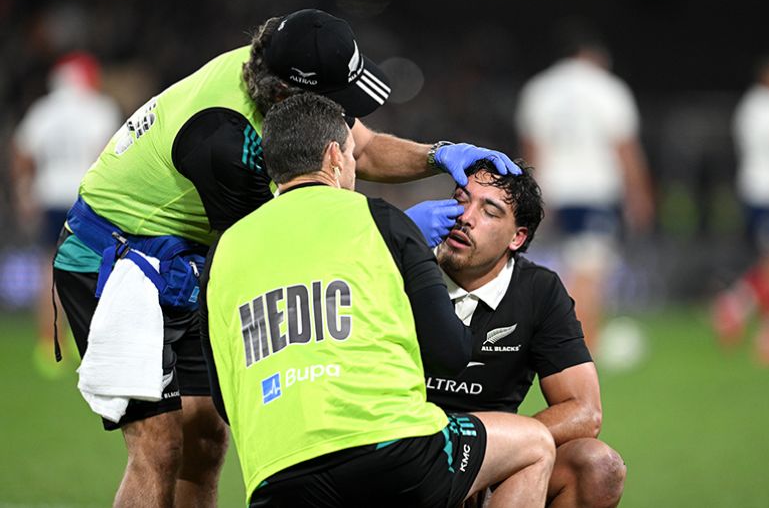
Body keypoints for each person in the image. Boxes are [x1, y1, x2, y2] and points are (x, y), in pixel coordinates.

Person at [51, 8, 522, 508]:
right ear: (291, 97)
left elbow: (357, 152)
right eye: (339, 103)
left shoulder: (282, 59)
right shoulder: (223, 141)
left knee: (206, 440)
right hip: (118, 260)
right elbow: (283, 243)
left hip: (184, 253)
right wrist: (398, 231)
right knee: (160, 446)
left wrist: (440, 154)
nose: (348, 116)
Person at [202, 92, 555, 507]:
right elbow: (451, 351)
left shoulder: (222, 252)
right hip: (391, 455)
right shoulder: (381, 220)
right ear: (335, 157)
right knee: (534, 445)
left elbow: (225, 402)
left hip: (275, 478)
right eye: (354, 155)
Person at [406, 159, 626, 507]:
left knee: (598, 467)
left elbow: (585, 411)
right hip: (403, 453)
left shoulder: (538, 291)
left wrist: (486, 453)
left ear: (517, 237)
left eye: (489, 211)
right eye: (461, 200)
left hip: (490, 457)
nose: (465, 217)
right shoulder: (401, 269)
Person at [513, 23, 654, 351]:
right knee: (590, 269)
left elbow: (531, 148)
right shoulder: (608, 88)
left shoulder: (539, 89)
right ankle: (580, 343)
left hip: (550, 189)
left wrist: (529, 195)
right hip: (593, 191)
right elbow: (625, 148)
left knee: (557, 267)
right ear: (593, 55)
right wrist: (640, 194)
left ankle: (555, 338)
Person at [10, 51, 121, 378]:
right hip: (85, 196)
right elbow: (106, 153)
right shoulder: (99, 107)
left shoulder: (43, 109)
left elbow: (22, 151)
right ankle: (89, 338)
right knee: (95, 265)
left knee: (49, 269)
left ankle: (49, 343)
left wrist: (23, 190)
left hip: (49, 196)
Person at [712, 54, 769, 366]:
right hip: (767, 193)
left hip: (763, 192)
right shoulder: (766, 108)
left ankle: (735, 303)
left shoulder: (753, 106)